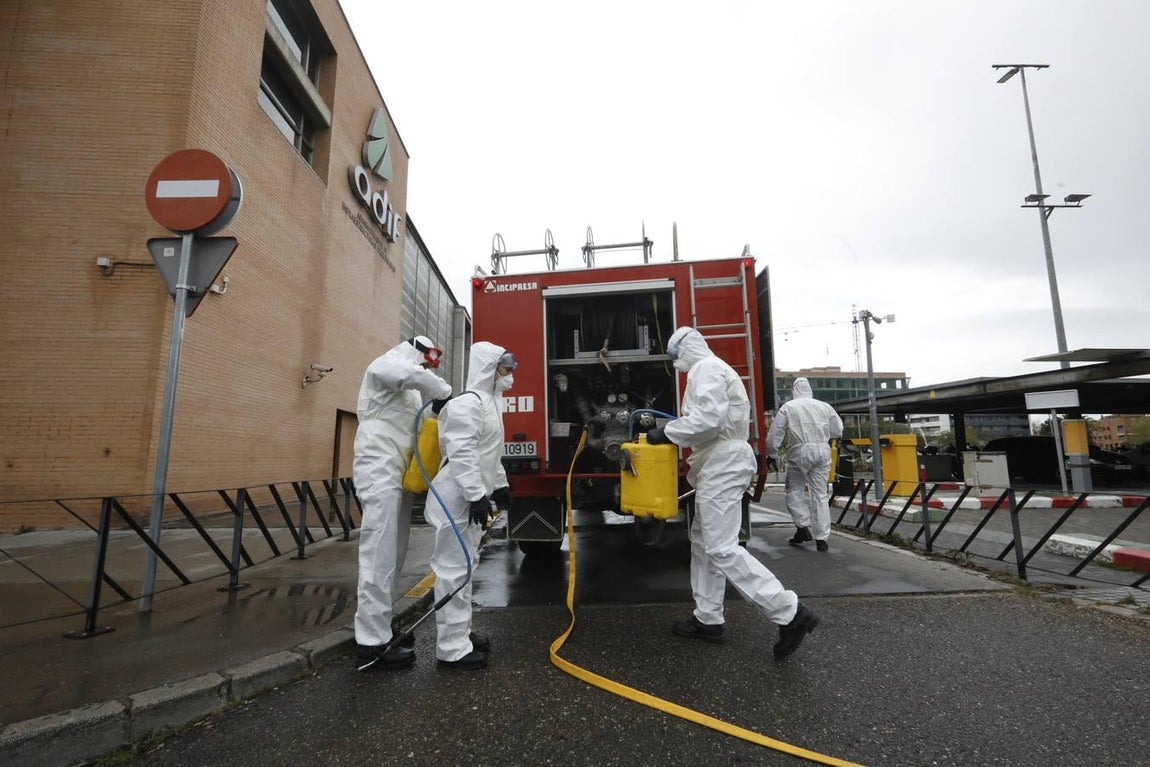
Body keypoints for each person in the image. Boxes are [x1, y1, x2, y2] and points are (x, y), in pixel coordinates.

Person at [646, 327, 819, 661]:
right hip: (719, 464)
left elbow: (708, 420)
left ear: (687, 349)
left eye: (674, 355)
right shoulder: (713, 369)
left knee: (722, 547)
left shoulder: (705, 369)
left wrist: (665, 432)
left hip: (723, 464)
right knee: (703, 542)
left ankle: (790, 612)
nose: (675, 363)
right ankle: (707, 618)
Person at [353, 336, 453, 671]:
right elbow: (410, 373)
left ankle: (382, 627)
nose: (426, 367)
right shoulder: (384, 366)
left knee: (392, 557)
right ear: (416, 352)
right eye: (425, 361)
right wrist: (443, 390)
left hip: (397, 475)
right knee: (377, 555)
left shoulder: (409, 392)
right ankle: (370, 642)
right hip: (378, 471)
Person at [426, 341, 516, 670]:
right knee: (453, 570)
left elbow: (488, 452)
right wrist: (476, 494)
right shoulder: (468, 404)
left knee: (466, 567)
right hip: (456, 497)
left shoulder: (491, 404)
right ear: (489, 369)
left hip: (470, 497)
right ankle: (450, 649)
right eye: (506, 367)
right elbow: (462, 454)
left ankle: (460, 634)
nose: (511, 374)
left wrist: (501, 485)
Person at [766, 377, 844, 552]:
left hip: (800, 451)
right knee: (820, 495)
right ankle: (822, 539)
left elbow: (775, 432)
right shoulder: (825, 406)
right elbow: (837, 430)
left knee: (794, 490)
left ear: (795, 390)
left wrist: (771, 453)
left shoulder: (789, 407)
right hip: (823, 450)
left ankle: (802, 527)